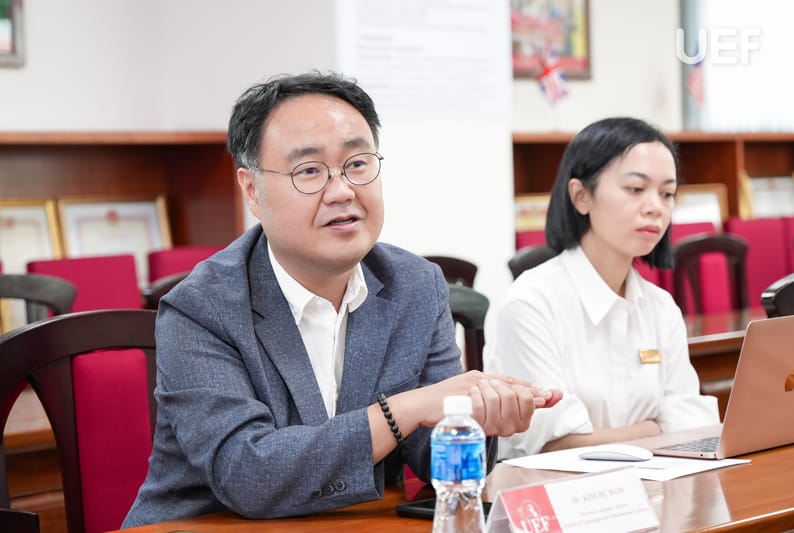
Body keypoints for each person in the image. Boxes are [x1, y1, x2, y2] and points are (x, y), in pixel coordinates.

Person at [122, 71, 561, 527]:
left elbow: (432, 455)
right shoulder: (201, 307)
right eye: (309, 171)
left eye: (357, 164)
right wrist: (404, 411)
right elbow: (248, 474)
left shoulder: (414, 285)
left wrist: (475, 419)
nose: (342, 191)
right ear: (253, 190)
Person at [483, 116, 719, 458]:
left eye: (667, 193)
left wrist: (613, 436)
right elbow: (558, 443)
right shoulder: (532, 302)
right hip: (557, 486)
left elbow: (693, 423)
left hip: (654, 483)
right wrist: (654, 427)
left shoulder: (661, 306)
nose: (656, 207)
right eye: (635, 189)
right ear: (581, 196)